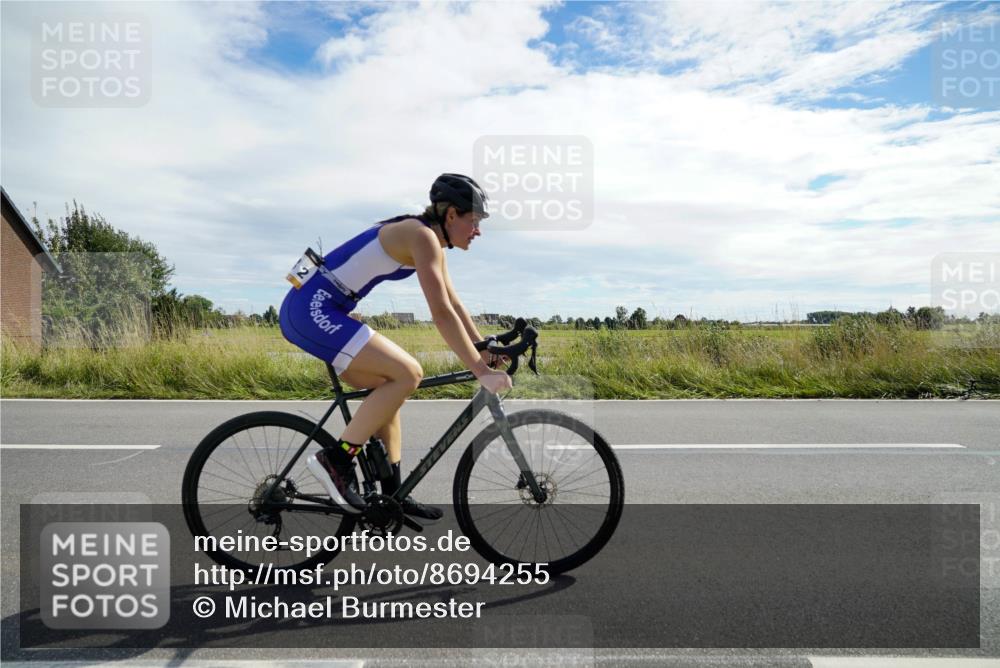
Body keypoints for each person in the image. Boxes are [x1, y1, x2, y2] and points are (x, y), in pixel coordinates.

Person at [278, 174, 513, 520]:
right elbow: (441, 313)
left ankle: (393, 496)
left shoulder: (430, 240)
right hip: (311, 309)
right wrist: (480, 372)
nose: (477, 230)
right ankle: (337, 461)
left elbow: (455, 303)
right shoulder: (421, 236)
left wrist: (482, 348)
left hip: (325, 308)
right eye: (474, 221)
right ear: (451, 216)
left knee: (391, 387)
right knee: (408, 373)